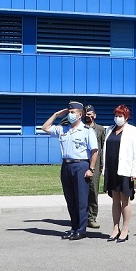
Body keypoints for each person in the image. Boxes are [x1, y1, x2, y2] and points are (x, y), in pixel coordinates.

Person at [42, 101, 99, 240]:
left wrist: (91, 169)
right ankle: (74, 228)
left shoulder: (87, 131)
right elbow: (45, 127)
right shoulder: (64, 129)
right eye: (69, 112)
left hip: (81, 165)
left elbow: (95, 151)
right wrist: (56, 114)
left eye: (73, 112)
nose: (70, 114)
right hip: (66, 166)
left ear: (80, 115)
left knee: (81, 200)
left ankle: (81, 229)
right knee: (70, 199)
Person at [102, 105, 136, 242]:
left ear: (126, 117)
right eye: (116, 115)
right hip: (111, 169)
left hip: (125, 170)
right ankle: (115, 227)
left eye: (120, 116)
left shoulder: (132, 130)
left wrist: (135, 170)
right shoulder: (110, 130)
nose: (118, 118)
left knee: (125, 199)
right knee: (115, 199)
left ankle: (125, 229)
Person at [83, 105, 107, 229]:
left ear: (95, 115)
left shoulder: (100, 129)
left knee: (93, 190)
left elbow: (104, 148)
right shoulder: (79, 128)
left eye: (90, 113)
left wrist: (103, 164)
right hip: (82, 161)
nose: (88, 116)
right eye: (86, 114)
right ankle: (81, 217)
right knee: (81, 191)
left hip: (96, 164)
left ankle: (92, 217)